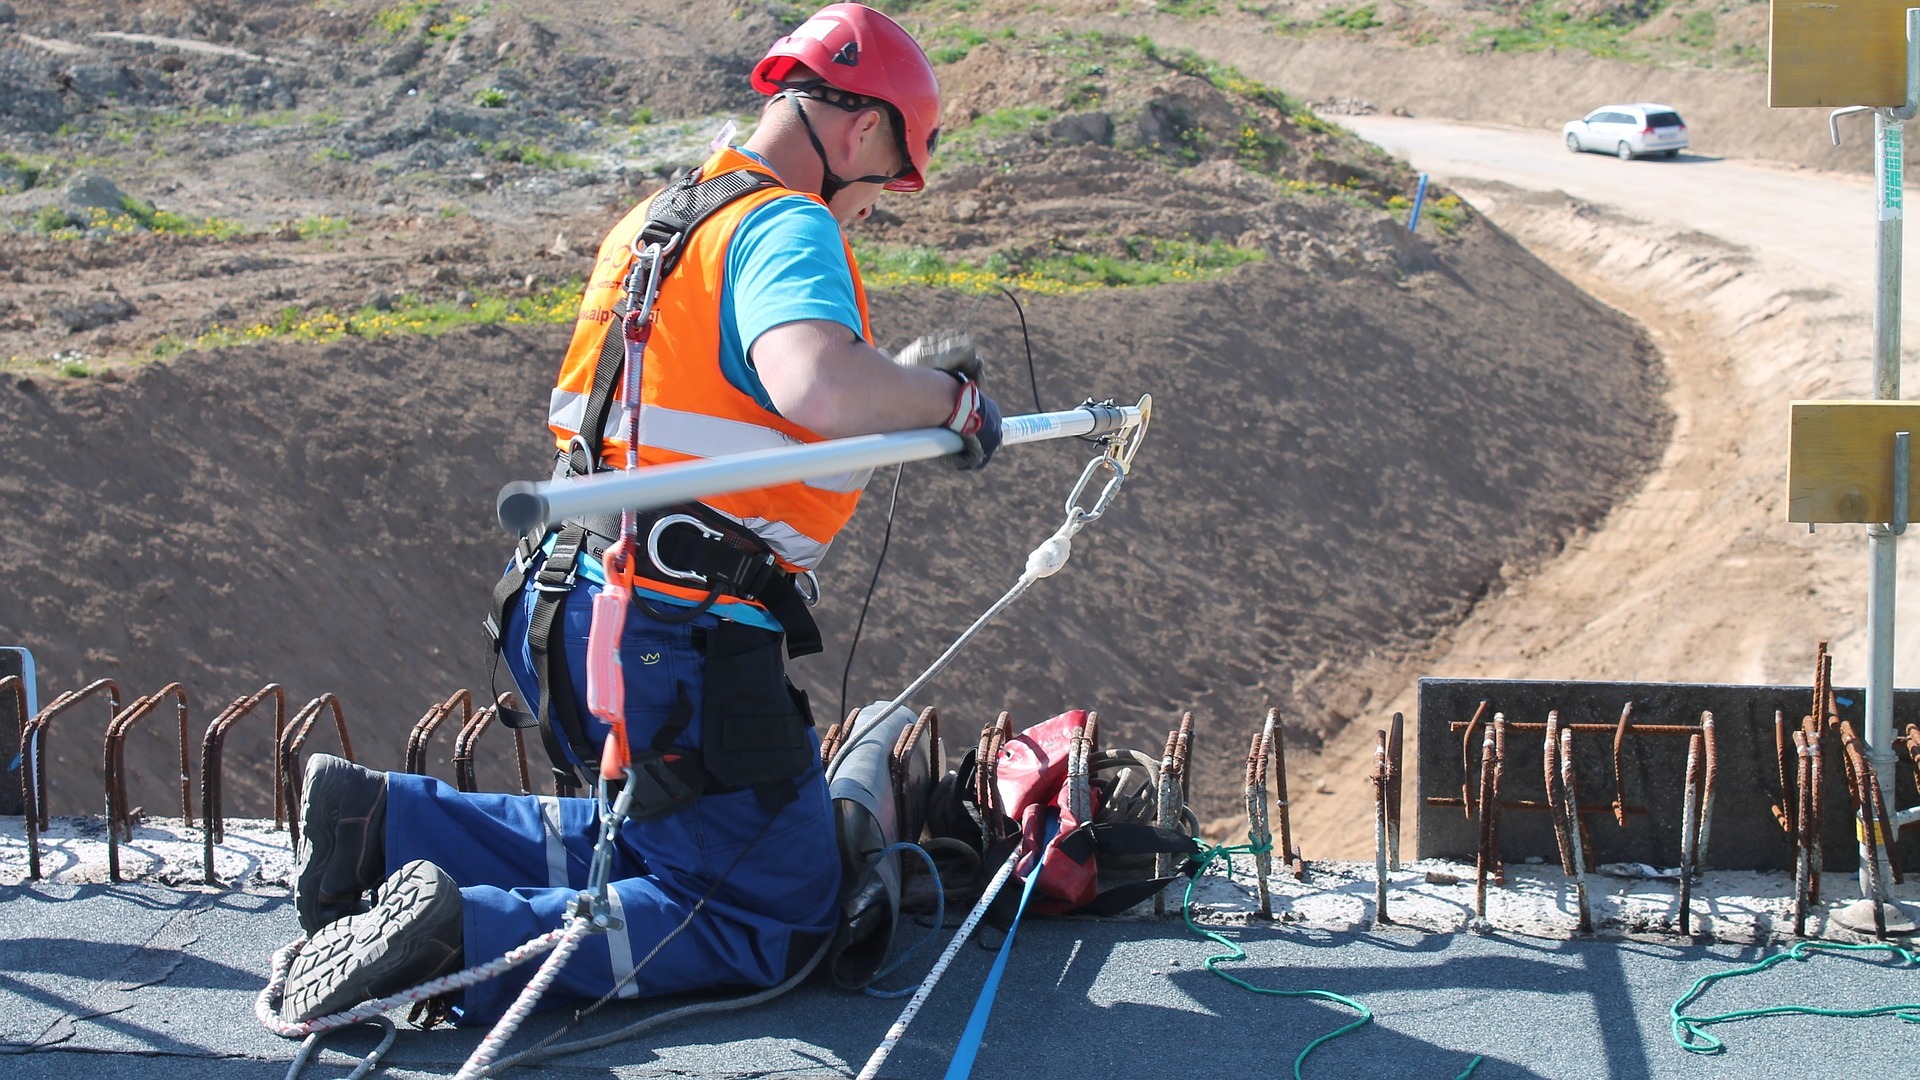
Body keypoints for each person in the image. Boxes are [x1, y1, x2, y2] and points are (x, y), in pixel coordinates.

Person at [278, 3, 1003, 1025]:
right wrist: (953, 403)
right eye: (888, 178)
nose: (875, 205)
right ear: (857, 131)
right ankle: (461, 936)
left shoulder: (665, 217)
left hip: (570, 600)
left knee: (673, 837)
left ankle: (384, 825)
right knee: (770, 910)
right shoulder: (786, 220)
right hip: (678, 631)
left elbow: (721, 404)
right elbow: (816, 386)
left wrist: (901, 386)